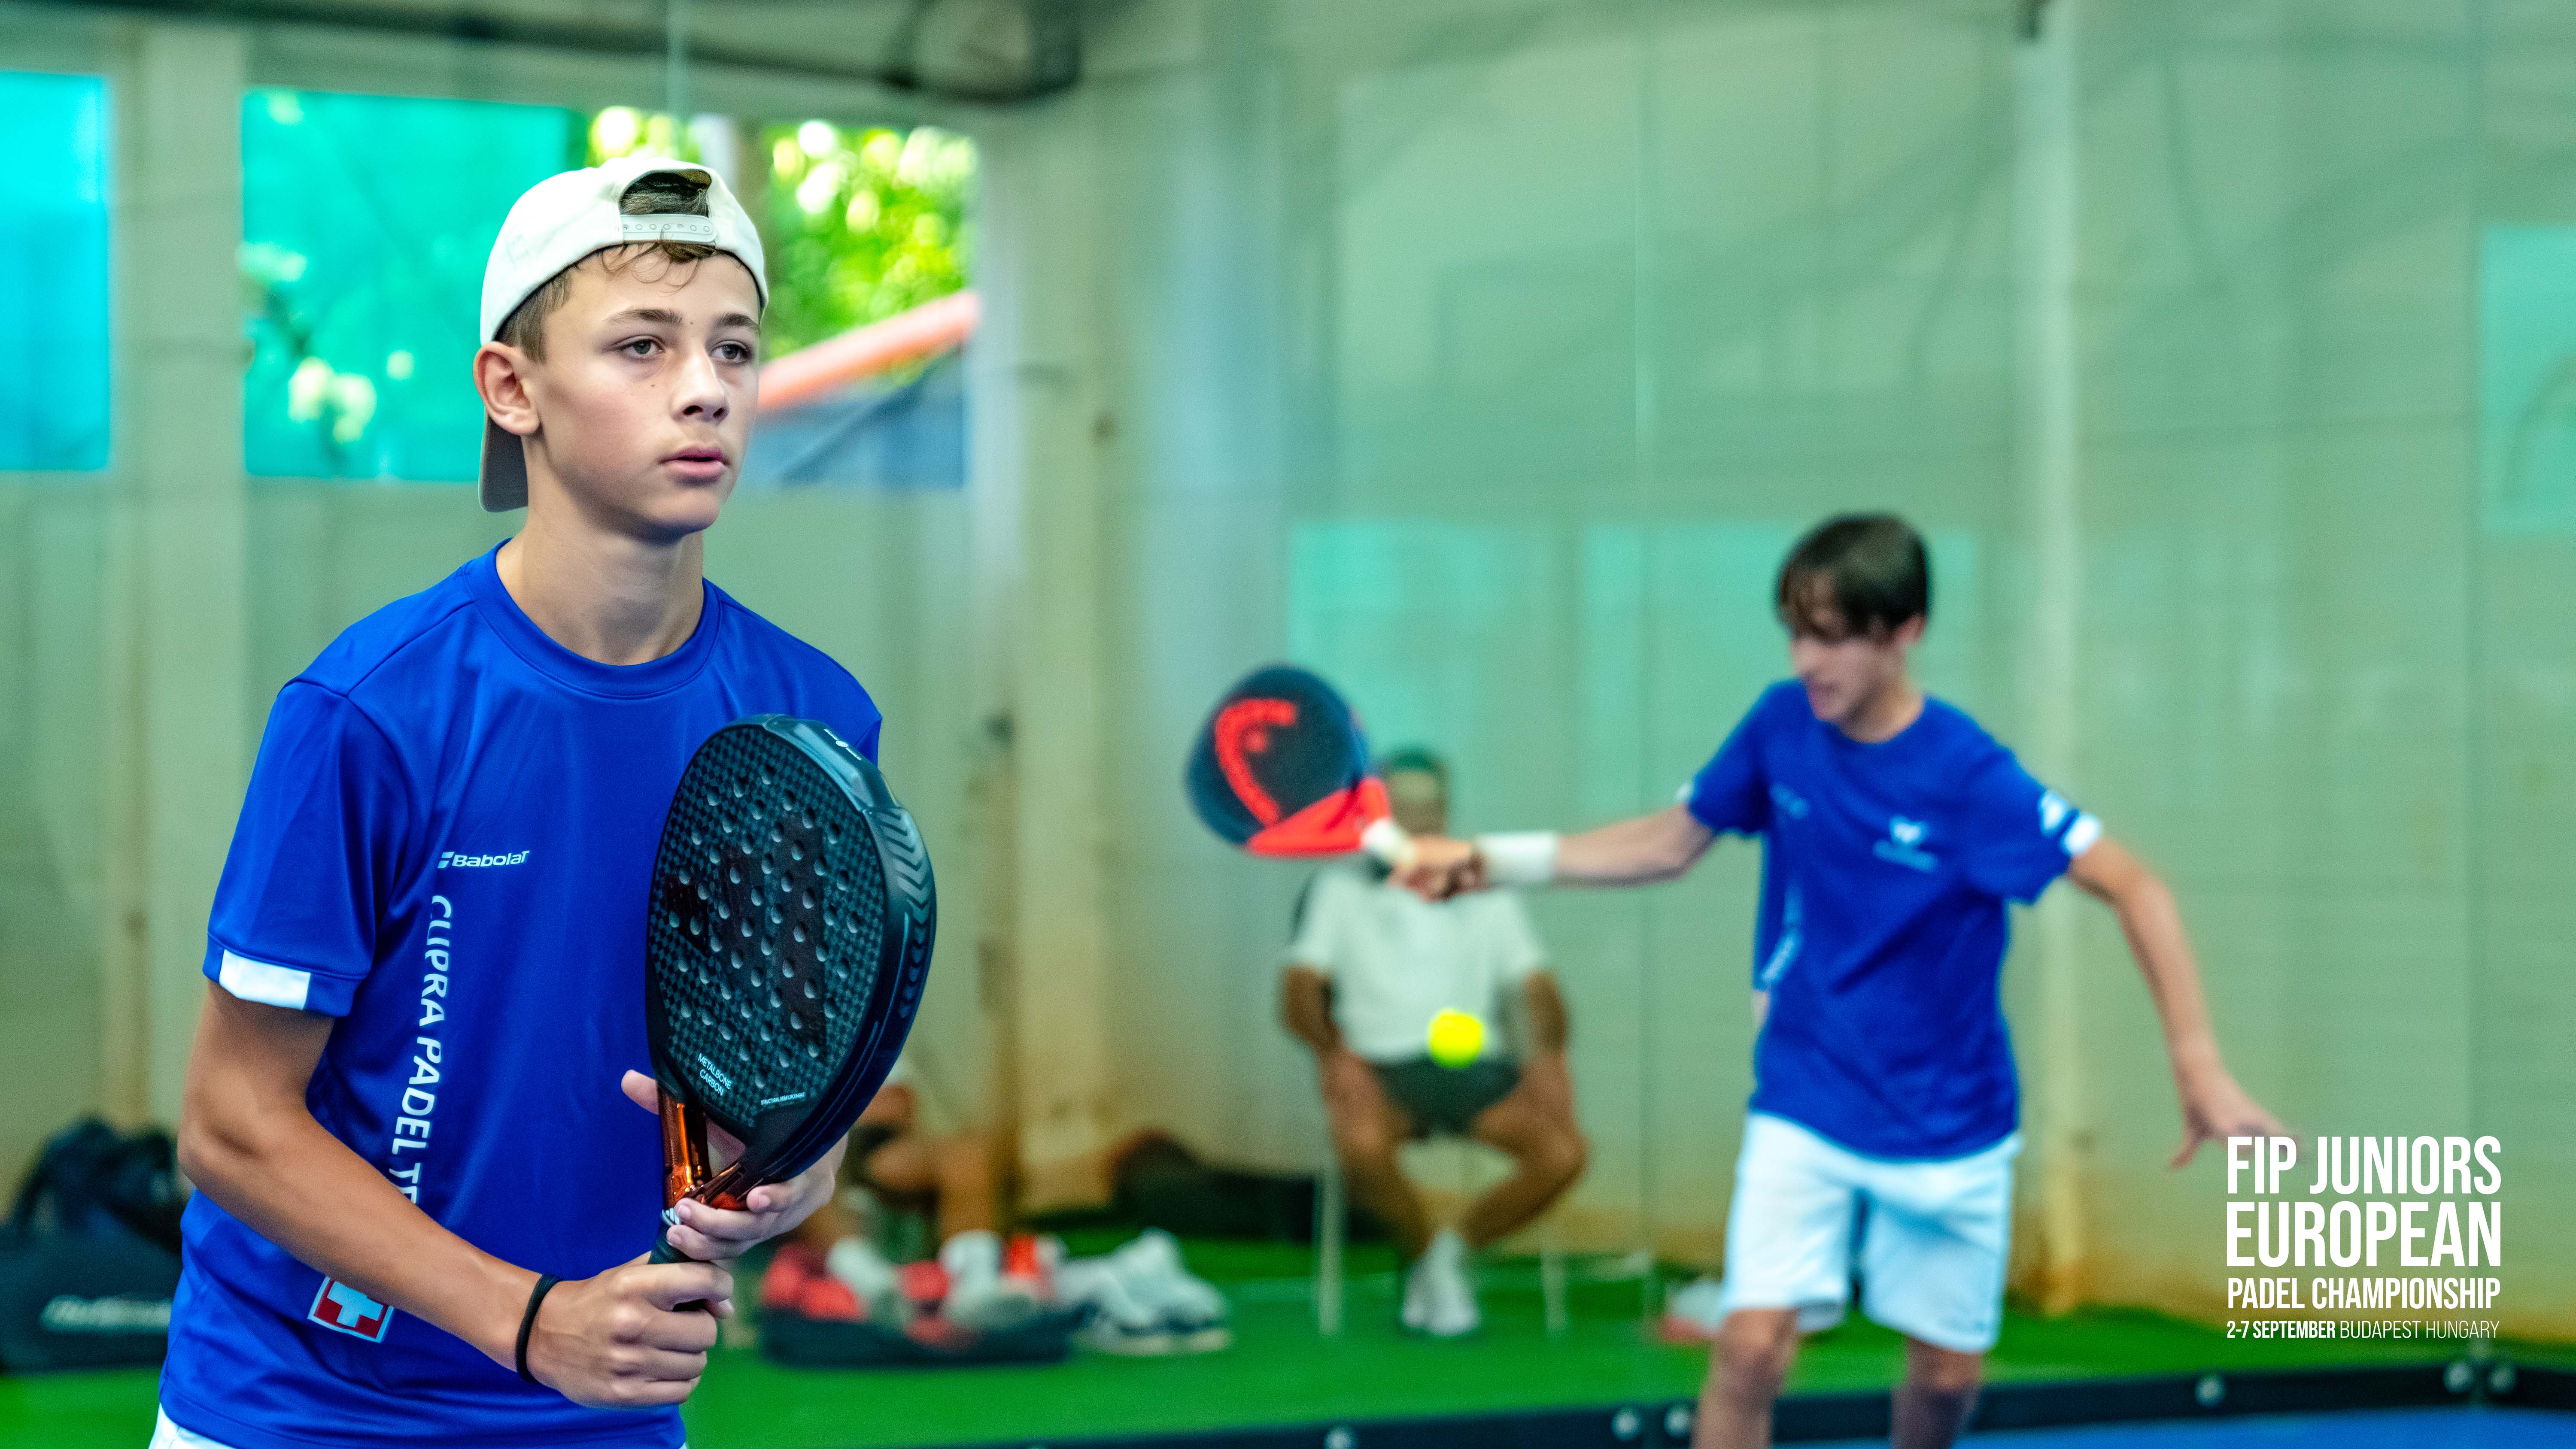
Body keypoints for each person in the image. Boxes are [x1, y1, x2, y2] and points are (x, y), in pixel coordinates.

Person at [161, 158, 870, 1449]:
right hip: (298, 1407)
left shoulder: (815, 723)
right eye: (643, 346)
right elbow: (231, 1124)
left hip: (607, 1398)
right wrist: (531, 1321)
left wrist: (790, 1173)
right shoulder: (370, 711)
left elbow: (797, 1092)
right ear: (511, 388)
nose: (706, 387)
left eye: (734, 347)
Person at [1400, 515, 2285, 1449]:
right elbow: (1667, 843)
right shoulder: (1781, 725)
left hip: (1949, 1119)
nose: (1806, 661)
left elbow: (2136, 886)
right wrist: (1489, 859)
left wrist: (2200, 1067)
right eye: (1795, 633)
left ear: (1905, 632)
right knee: (1749, 1349)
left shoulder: (1971, 776)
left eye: (1832, 637)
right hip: (1808, 1090)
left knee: (1944, 1379)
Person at [1282, 748, 1588, 1338]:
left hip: (1474, 1071)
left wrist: (1550, 1058)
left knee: (1562, 1154)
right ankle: (1423, 1255)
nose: (1416, 818)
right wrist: (1334, 1056)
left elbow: (1536, 985)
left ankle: (1450, 1255)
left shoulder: (1486, 889)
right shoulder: (1337, 888)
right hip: (1378, 1071)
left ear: (1445, 810)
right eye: (1402, 806)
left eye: (1427, 806)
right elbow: (1299, 990)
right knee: (1361, 1146)